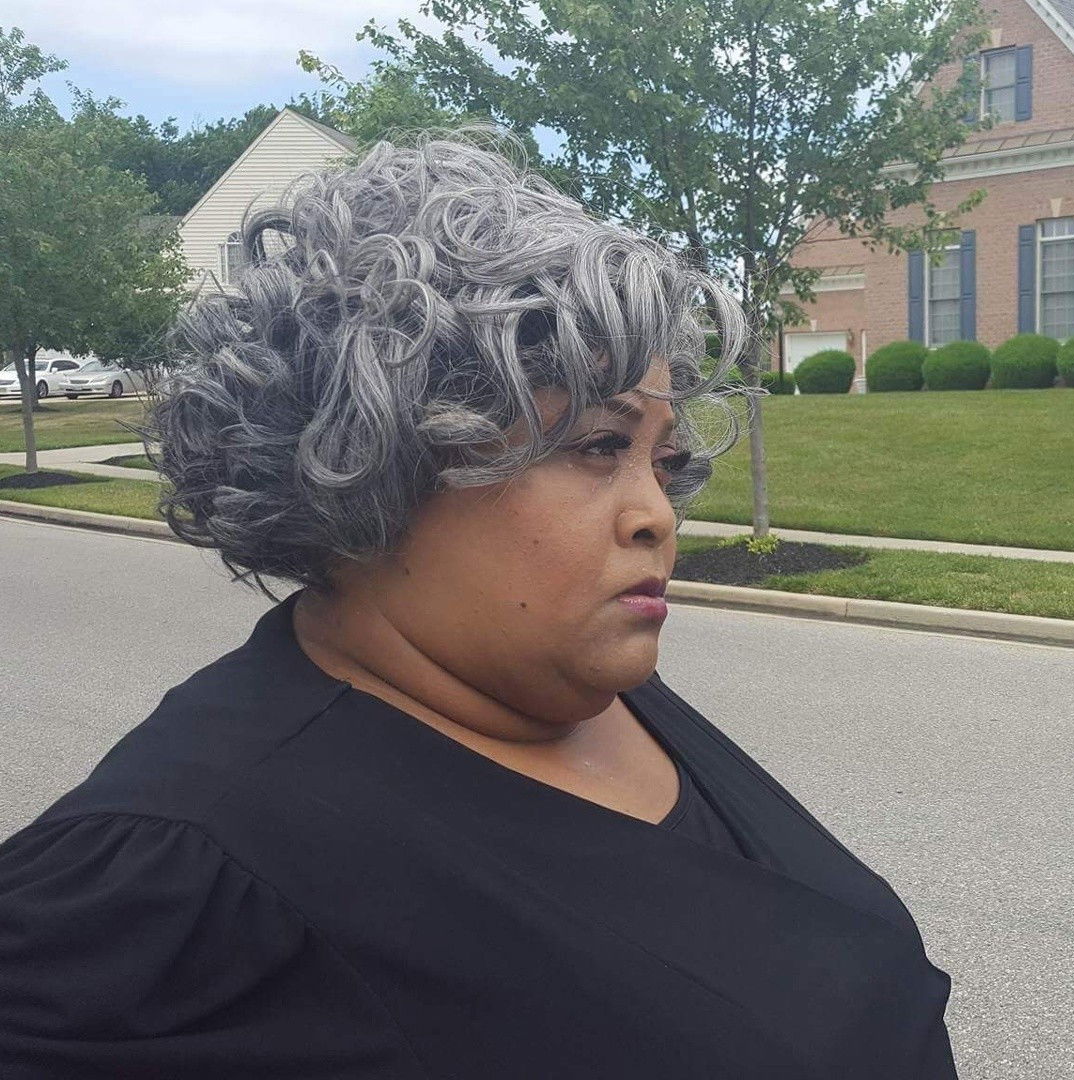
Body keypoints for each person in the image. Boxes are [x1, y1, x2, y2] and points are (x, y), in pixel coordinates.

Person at [0, 133, 956, 1078]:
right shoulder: (177, 874)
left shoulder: (575, 681)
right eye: (598, 445)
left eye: (661, 458)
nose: (659, 515)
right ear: (369, 455)